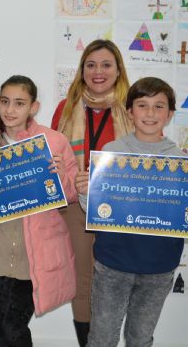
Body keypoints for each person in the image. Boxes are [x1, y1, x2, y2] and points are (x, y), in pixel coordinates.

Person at [76, 77, 188, 347]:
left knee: (140, 339)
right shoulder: (110, 153)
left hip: (159, 268)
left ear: (170, 114)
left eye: (159, 106)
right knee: (101, 339)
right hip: (112, 265)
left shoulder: (184, 163)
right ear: (130, 111)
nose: (150, 113)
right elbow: (91, 211)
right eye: (142, 105)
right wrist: (85, 190)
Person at [0, 75, 78, 347]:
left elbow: (73, 195)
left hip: (35, 252)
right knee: (3, 326)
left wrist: (62, 176)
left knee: (13, 326)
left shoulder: (53, 142)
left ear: (34, 107)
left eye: (19, 103)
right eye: (5, 102)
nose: (10, 110)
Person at [50, 39, 133, 346]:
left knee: (116, 280)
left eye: (106, 64)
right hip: (76, 206)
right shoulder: (65, 107)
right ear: (82, 70)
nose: (98, 72)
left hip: (123, 206)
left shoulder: (133, 107)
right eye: (91, 64)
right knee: (83, 279)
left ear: (118, 69)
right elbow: (52, 156)